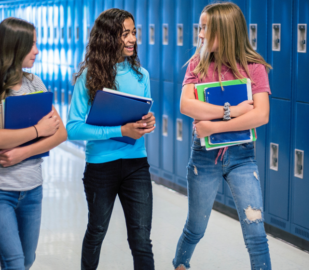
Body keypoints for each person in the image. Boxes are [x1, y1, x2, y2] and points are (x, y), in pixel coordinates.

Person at [173, 2, 272, 270]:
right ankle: (180, 264)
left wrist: (214, 125)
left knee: (256, 234)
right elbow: (186, 105)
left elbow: (261, 115)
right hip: (204, 158)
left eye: (206, 28)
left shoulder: (253, 67)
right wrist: (232, 111)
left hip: (242, 157)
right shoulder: (198, 63)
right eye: (200, 27)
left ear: (226, 31)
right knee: (196, 227)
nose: (200, 34)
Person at [0, 17, 67, 270]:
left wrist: (22, 153)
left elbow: (60, 133)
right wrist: (38, 130)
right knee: (14, 263)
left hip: (32, 188)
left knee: (27, 261)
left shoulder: (35, 83)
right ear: (14, 46)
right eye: (31, 44)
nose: (37, 51)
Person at [66, 8, 156, 270]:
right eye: (124, 34)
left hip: (136, 163)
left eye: (134, 33)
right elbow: (73, 128)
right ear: (108, 37)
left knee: (141, 241)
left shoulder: (142, 75)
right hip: (101, 166)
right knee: (96, 233)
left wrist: (147, 122)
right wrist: (120, 131)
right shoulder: (89, 76)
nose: (132, 39)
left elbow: (143, 116)